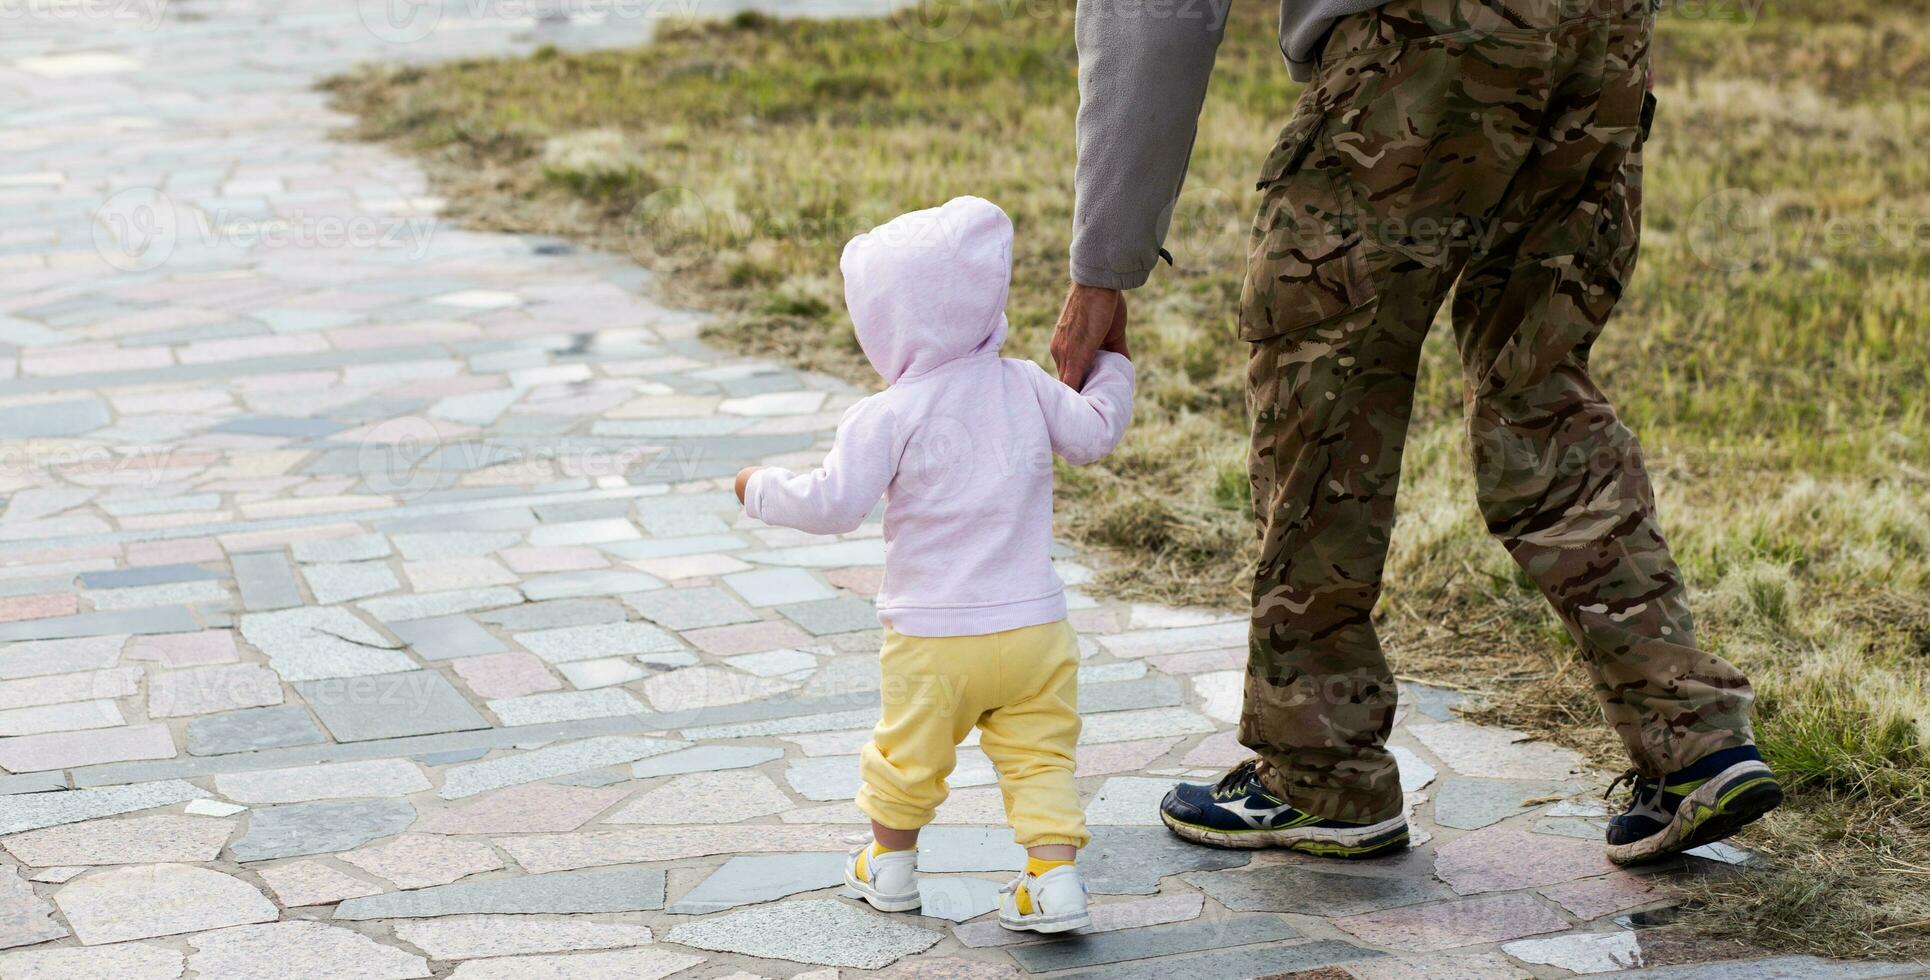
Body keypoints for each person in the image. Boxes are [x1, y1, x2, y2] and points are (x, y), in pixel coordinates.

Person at [1051, 0, 1780, 864]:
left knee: (1327, 386)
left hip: (1424, 40)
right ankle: (1693, 735)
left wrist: (1104, 263)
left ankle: (1320, 771)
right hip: (1601, 29)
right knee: (1537, 382)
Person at [735, 196, 1134, 929]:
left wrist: (759, 491)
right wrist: (1112, 360)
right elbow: (1094, 434)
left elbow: (832, 503)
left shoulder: (886, 414)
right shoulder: (1025, 384)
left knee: (907, 756)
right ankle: (1052, 879)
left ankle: (888, 866)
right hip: (1033, 634)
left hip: (931, 641)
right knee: (1041, 757)